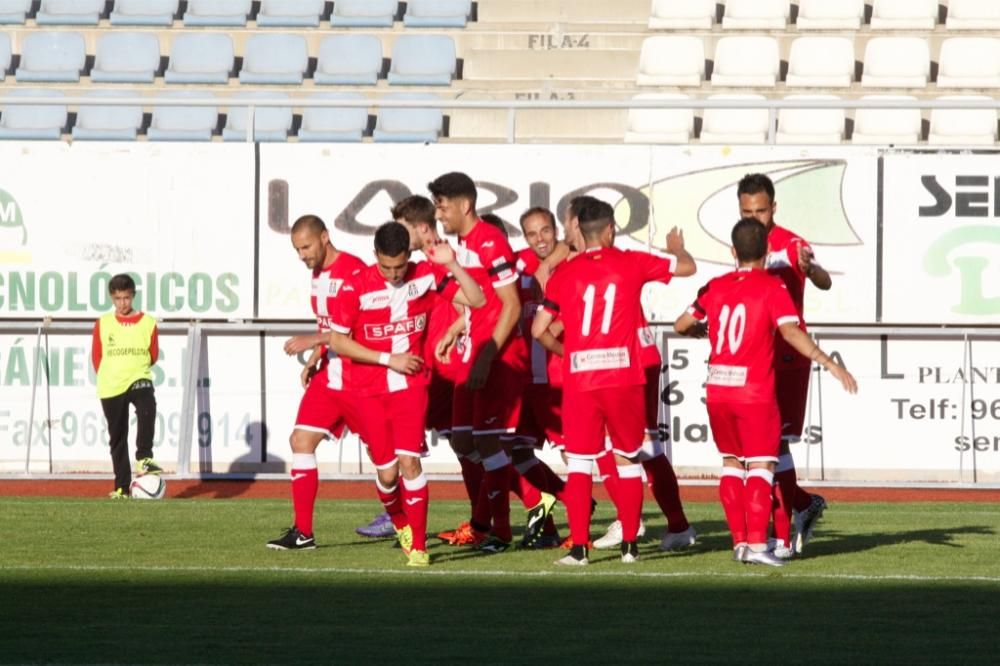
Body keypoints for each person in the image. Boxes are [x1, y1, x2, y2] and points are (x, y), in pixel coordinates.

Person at [674, 218, 857, 566]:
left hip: (717, 387)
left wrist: (701, 331)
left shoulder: (715, 286)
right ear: (768, 251)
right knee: (760, 466)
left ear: (732, 252)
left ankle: (740, 543)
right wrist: (829, 363)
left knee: (730, 465)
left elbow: (680, 324)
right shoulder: (772, 287)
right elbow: (791, 332)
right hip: (753, 391)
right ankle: (759, 546)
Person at [532, 198, 696, 566]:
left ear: (578, 228)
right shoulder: (631, 262)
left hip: (585, 375)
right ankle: (632, 545)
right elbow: (686, 267)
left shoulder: (565, 273)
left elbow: (540, 329)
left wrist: (567, 351)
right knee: (634, 455)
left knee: (579, 462)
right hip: (626, 371)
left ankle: (581, 548)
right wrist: (676, 249)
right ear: (610, 229)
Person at [329, 221, 484, 567]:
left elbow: (477, 299)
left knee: (410, 462)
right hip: (367, 390)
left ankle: (419, 548)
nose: (395, 273)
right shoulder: (355, 287)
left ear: (408, 256)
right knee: (386, 475)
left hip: (411, 386)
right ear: (375, 258)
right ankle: (400, 522)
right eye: (387, 267)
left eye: (400, 265)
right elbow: (338, 341)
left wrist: (453, 265)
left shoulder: (425, 275)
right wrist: (388, 359)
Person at [429, 172, 526, 554]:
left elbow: (512, 305)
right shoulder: (464, 244)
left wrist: (487, 357)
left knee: (486, 442)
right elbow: (481, 299)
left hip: (497, 356)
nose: (440, 214)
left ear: (465, 205)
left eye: (443, 206)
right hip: (474, 350)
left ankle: (499, 531)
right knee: (465, 440)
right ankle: (484, 519)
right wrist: (456, 327)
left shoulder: (490, 241)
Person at [738, 173, 832, 556]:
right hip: (751, 356)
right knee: (756, 447)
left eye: (761, 210)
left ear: (773, 208)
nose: (755, 217)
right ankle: (802, 505)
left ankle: (778, 538)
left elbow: (824, 281)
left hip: (787, 357)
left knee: (773, 445)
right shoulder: (741, 241)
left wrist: (810, 269)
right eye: (747, 211)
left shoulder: (791, 244)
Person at [266, 214, 367, 551]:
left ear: (325, 237)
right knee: (300, 440)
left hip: (360, 376)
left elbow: (354, 330)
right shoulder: (316, 274)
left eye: (306, 246)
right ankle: (303, 532)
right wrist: (315, 357)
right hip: (330, 373)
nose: (302, 255)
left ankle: (402, 520)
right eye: (297, 249)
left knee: (390, 465)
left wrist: (312, 341)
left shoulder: (355, 271)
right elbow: (330, 323)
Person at [91, 273, 163, 499]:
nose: (123, 303)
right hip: (111, 384)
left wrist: (134, 366)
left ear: (133, 296)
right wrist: (110, 373)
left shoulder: (148, 322)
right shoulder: (103, 323)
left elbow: (152, 355)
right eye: (118, 299)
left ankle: (144, 457)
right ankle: (122, 487)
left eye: (126, 298)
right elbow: (97, 357)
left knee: (147, 404)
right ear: (112, 298)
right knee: (118, 436)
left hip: (137, 376)